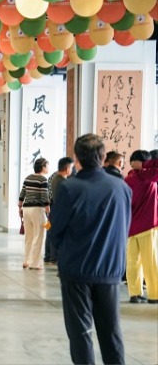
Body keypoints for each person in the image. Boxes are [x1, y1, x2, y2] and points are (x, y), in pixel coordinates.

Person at [49, 134, 131, 365]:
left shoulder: (69, 188)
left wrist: (64, 252)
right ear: (104, 157)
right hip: (110, 270)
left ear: (77, 158)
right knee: (111, 332)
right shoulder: (121, 188)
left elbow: (55, 230)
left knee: (81, 332)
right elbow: (124, 226)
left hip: (77, 270)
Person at [124, 150, 158, 304]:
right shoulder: (149, 177)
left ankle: (135, 293)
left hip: (131, 227)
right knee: (151, 262)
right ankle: (154, 295)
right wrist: (147, 163)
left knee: (132, 262)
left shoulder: (127, 179)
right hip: (147, 226)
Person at [18, 158, 50, 269]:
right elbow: (44, 195)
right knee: (38, 236)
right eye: (47, 166)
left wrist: (20, 207)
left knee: (29, 237)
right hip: (37, 209)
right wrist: (48, 209)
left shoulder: (28, 178)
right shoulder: (43, 179)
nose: (48, 168)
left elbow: (22, 193)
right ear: (43, 167)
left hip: (26, 208)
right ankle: (35, 263)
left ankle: (27, 261)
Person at [45, 157, 74, 264]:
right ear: (67, 169)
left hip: (52, 209)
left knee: (50, 231)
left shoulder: (53, 178)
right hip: (58, 211)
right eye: (72, 168)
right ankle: (54, 258)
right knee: (56, 233)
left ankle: (48, 256)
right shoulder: (63, 182)